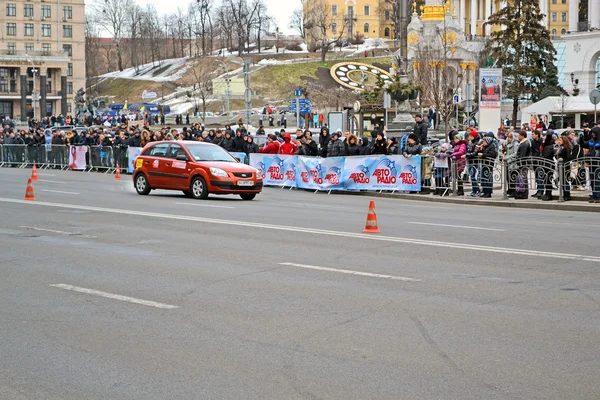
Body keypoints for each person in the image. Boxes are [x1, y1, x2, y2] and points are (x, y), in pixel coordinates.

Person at [539, 131, 555, 201]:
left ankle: (548, 194)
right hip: (547, 164)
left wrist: (541, 157)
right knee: (547, 180)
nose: (543, 140)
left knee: (548, 180)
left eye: (544, 139)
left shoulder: (548, 147)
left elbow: (545, 155)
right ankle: (547, 194)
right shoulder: (548, 146)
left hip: (548, 165)